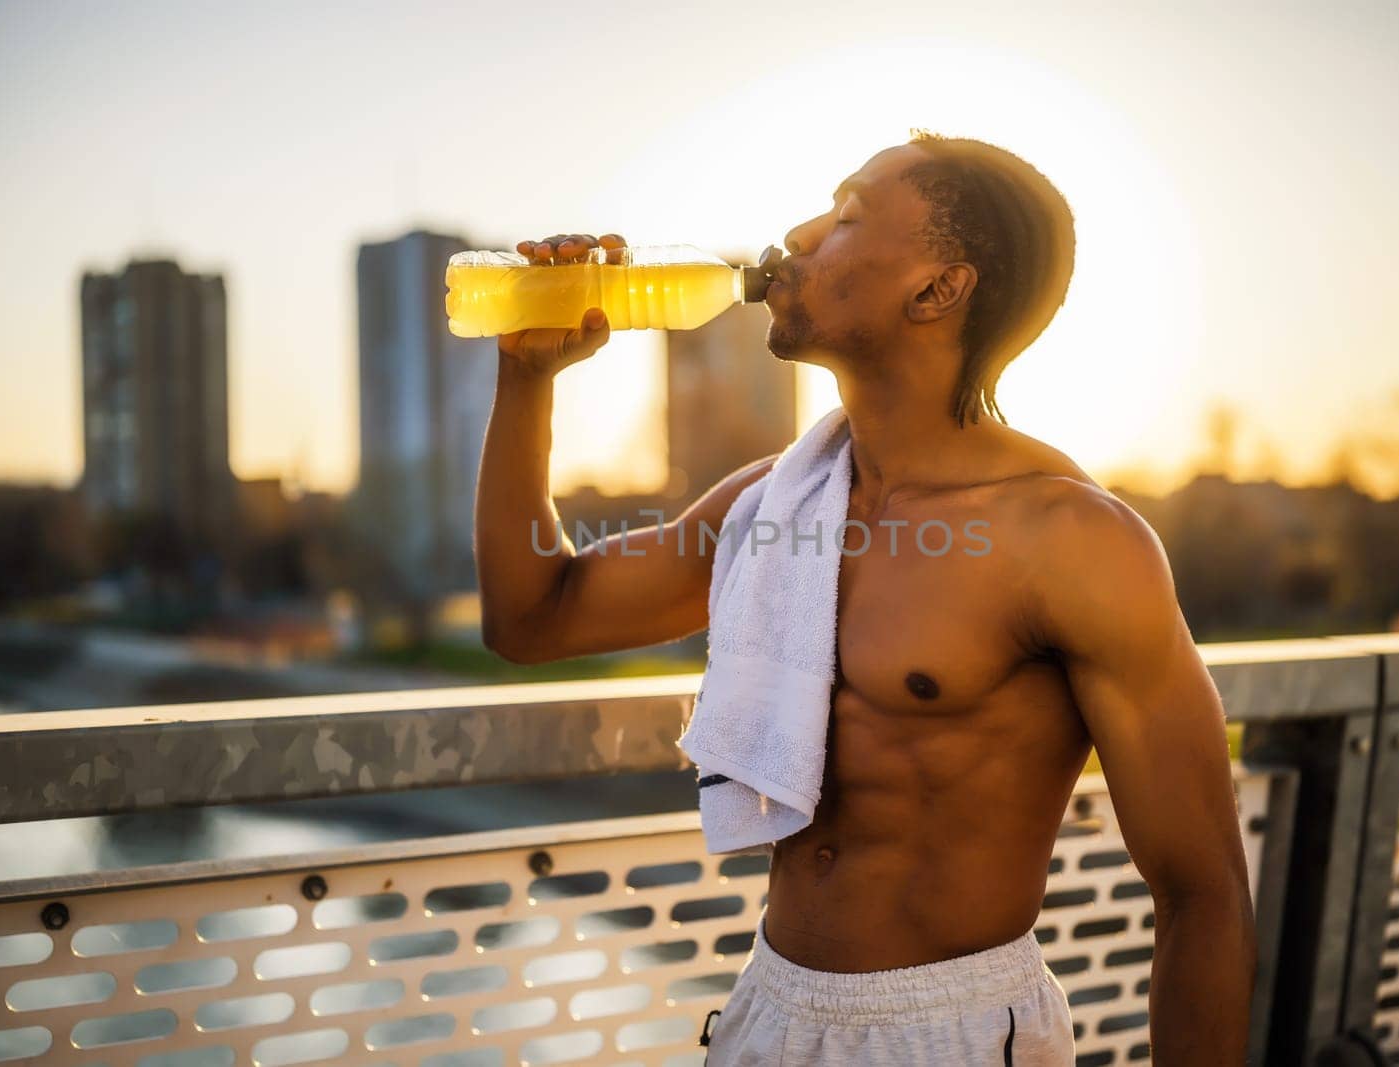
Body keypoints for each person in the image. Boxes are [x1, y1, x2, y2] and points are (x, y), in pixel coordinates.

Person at [474, 131, 1255, 1065]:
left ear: (936, 290)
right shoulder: (773, 504)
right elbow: (533, 617)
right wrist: (526, 380)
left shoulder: (1073, 541)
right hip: (770, 1010)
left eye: (844, 216)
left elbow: (1201, 892)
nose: (797, 236)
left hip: (957, 1031)